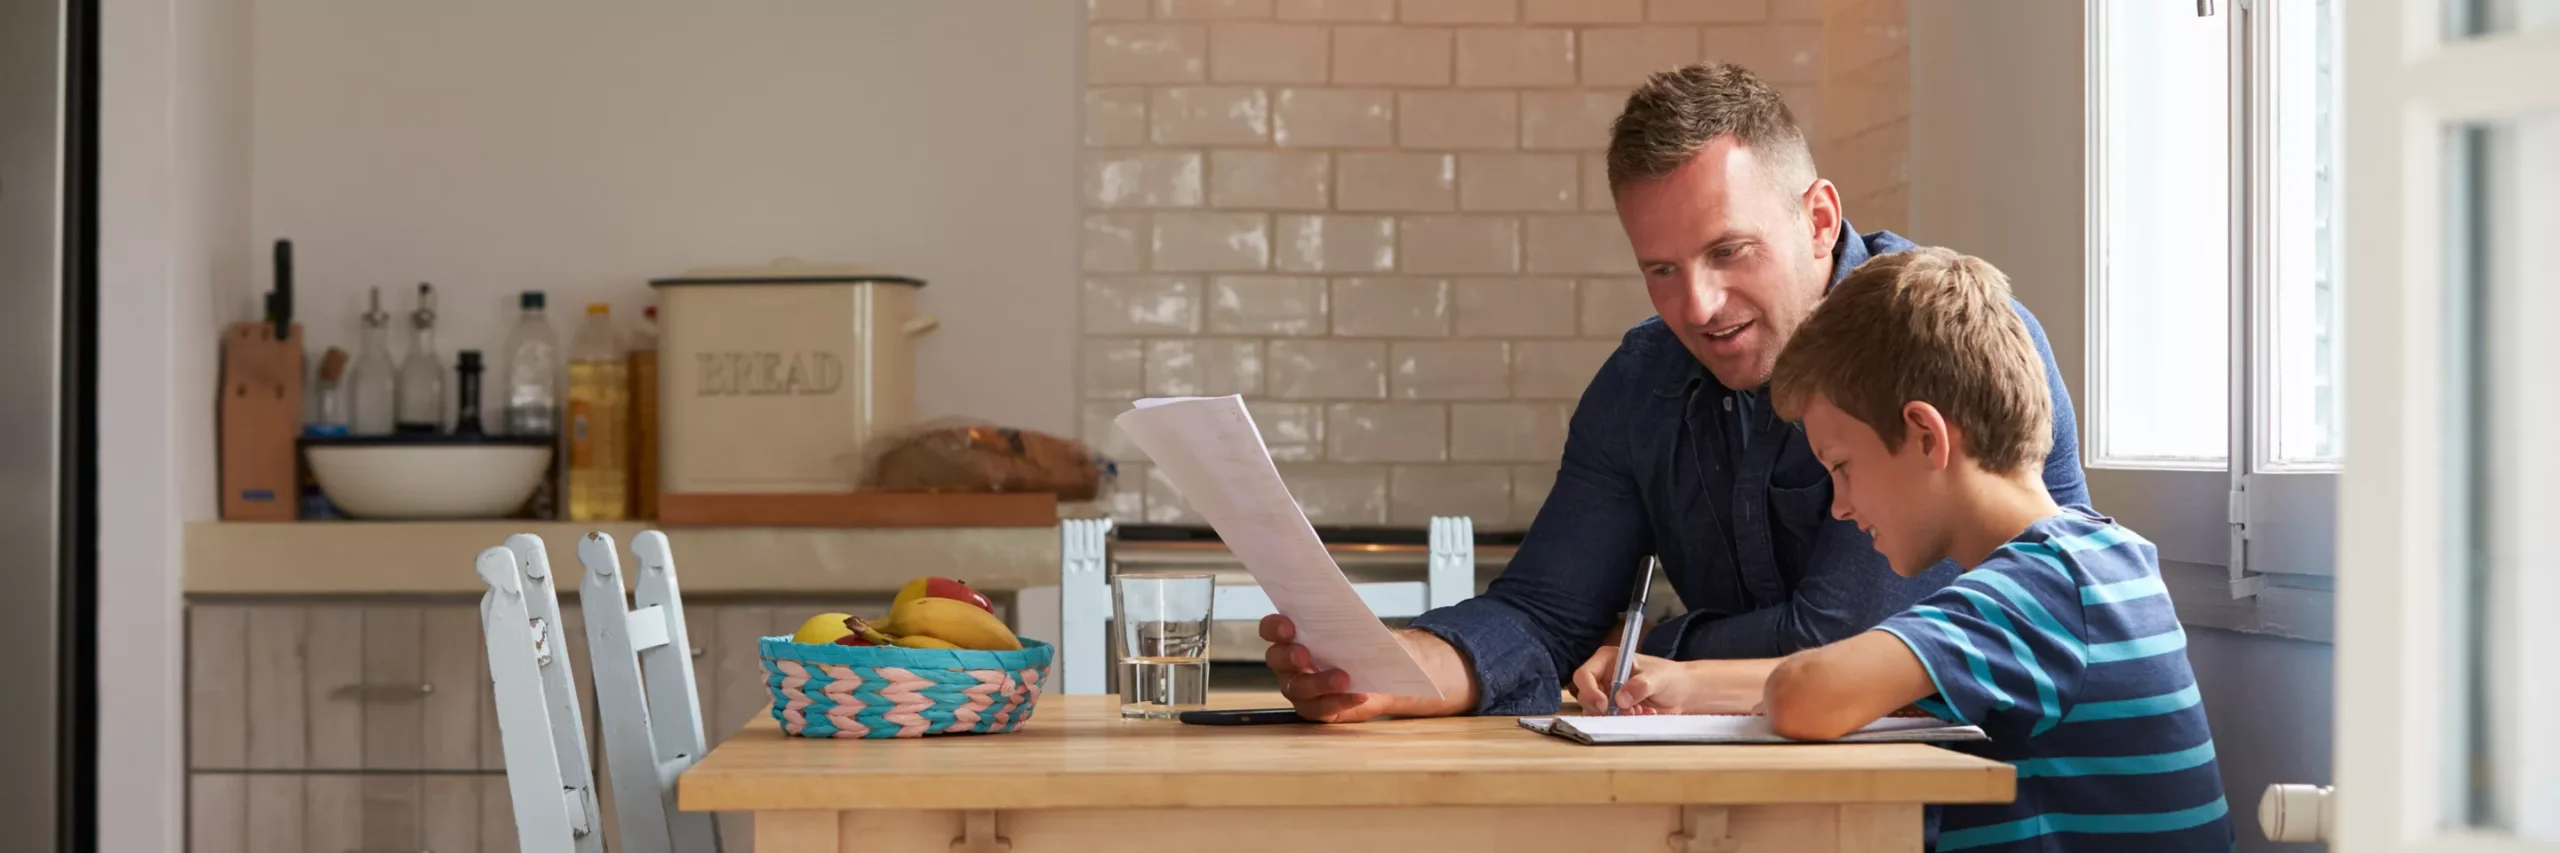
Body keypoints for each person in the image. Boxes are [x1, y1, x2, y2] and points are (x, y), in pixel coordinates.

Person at [1259, 62, 2091, 721]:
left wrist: (1656, 642)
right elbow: (1546, 614)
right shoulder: (1644, 381)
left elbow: (1840, 641)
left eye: (1729, 250)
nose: (1696, 305)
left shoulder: (1939, 340)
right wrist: (1390, 672)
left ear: (1819, 219)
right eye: (1661, 268)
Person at [1755, 246, 2232, 851]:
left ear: (1926, 436)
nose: (1840, 505)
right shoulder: (2098, 558)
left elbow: (1802, 696)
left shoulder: (2039, 589)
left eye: (1843, 467)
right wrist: (1685, 687)